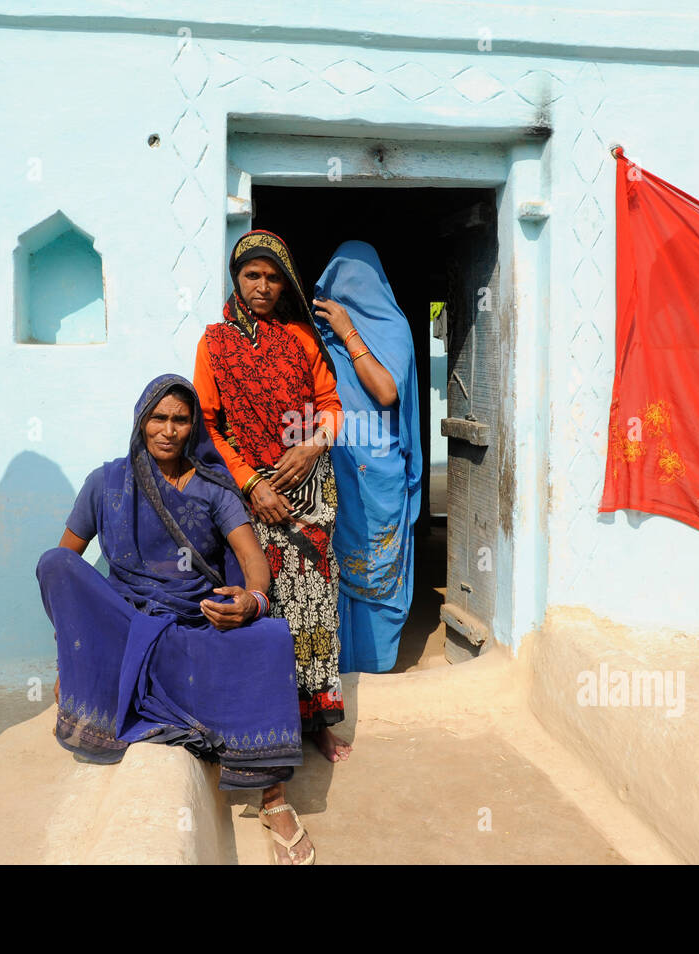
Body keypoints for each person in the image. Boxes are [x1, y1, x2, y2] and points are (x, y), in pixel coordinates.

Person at [36, 374, 315, 864]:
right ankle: (94, 675)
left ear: (193, 427)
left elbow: (253, 561)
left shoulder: (214, 488)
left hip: (192, 629)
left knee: (271, 638)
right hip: (126, 629)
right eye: (158, 418)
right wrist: (71, 658)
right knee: (52, 564)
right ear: (142, 423)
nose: (168, 429)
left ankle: (273, 800)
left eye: (180, 419)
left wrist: (251, 601)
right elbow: (69, 564)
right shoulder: (106, 483)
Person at [194, 230, 352, 762]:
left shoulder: (301, 339)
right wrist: (252, 483)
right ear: (237, 279)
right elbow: (209, 426)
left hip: (312, 491)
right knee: (270, 603)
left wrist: (310, 447)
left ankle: (320, 720)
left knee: (319, 606)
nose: (262, 285)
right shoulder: (213, 344)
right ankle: (273, 717)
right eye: (251, 275)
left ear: (285, 283)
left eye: (272, 276)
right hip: (252, 496)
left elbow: (332, 406)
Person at [312, 241, 422, 673]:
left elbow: (385, 391)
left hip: (380, 470)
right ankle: (341, 670)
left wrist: (348, 332)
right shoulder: (318, 338)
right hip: (335, 466)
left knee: (379, 563)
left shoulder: (393, 329)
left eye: (354, 285)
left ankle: (377, 664)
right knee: (334, 565)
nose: (343, 298)